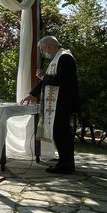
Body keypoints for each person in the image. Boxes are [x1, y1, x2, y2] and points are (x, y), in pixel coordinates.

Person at [21, 36, 80, 174]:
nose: (43, 52)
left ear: (49, 46)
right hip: (57, 104)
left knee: (62, 134)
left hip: (62, 103)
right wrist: (32, 94)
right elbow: (46, 81)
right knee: (59, 134)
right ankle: (64, 163)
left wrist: (43, 76)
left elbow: (61, 80)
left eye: (42, 49)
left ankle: (66, 166)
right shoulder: (56, 58)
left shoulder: (65, 57)